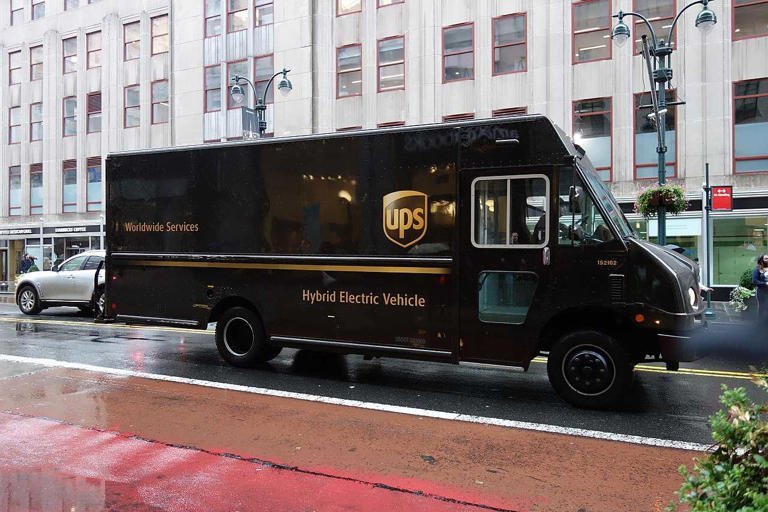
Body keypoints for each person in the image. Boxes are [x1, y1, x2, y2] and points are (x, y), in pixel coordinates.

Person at [752, 254, 768, 323]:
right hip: (761, 292)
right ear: (762, 260)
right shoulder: (757, 270)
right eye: (766, 259)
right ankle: (760, 322)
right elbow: (754, 281)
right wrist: (765, 283)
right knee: (762, 307)